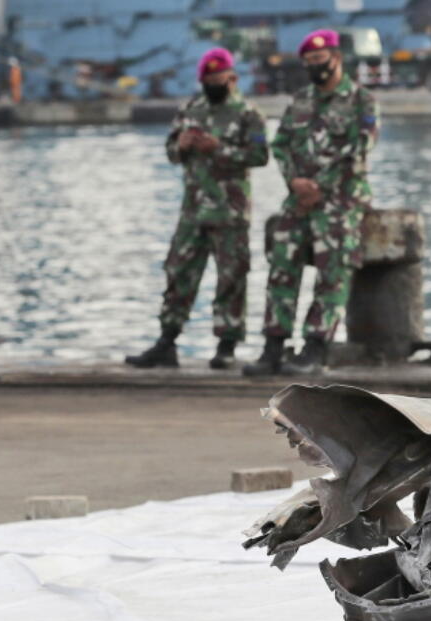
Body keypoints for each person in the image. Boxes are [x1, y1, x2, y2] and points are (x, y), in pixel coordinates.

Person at [243, 29, 379, 377]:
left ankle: (315, 348)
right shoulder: (300, 100)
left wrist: (320, 186)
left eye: (319, 61)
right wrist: (294, 182)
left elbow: (360, 148)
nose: (314, 67)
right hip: (300, 199)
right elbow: (282, 144)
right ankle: (274, 345)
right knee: (281, 263)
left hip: (340, 200)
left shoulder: (361, 100)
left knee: (332, 269)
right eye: (308, 63)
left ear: (336, 58)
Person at [126, 48, 268, 369]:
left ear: (232, 78)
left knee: (231, 277)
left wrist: (221, 149)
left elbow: (260, 156)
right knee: (178, 272)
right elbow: (170, 152)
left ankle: (226, 345)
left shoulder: (248, 114)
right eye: (207, 80)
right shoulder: (190, 109)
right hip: (193, 210)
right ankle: (167, 341)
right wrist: (182, 146)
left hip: (230, 211)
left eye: (218, 79)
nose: (212, 84)